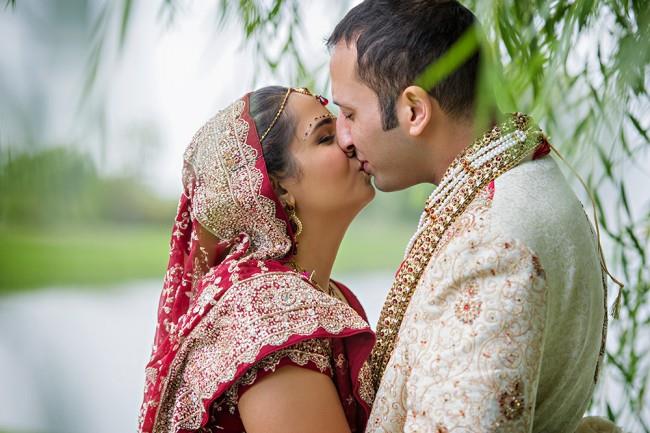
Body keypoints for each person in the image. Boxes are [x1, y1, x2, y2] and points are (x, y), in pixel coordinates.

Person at [327, 1, 617, 431]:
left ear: (414, 111)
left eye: (349, 114)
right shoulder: (525, 179)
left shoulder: (492, 246)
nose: (343, 137)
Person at [137, 86, 377, 433]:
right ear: (276, 188)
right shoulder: (267, 315)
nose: (350, 138)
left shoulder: (331, 298)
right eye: (325, 137)